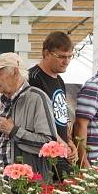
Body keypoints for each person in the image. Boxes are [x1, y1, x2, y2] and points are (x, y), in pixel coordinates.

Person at [0, 53, 57, 178]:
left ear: (15, 72)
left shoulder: (36, 97)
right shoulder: (6, 101)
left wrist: (14, 131)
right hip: (4, 183)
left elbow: (49, 144)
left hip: (26, 184)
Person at [28, 32, 78, 172]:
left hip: (61, 151)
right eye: (61, 56)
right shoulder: (33, 79)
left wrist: (70, 142)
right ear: (46, 53)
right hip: (44, 155)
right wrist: (64, 147)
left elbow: (61, 117)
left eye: (70, 56)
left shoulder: (59, 80)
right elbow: (38, 123)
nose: (66, 61)